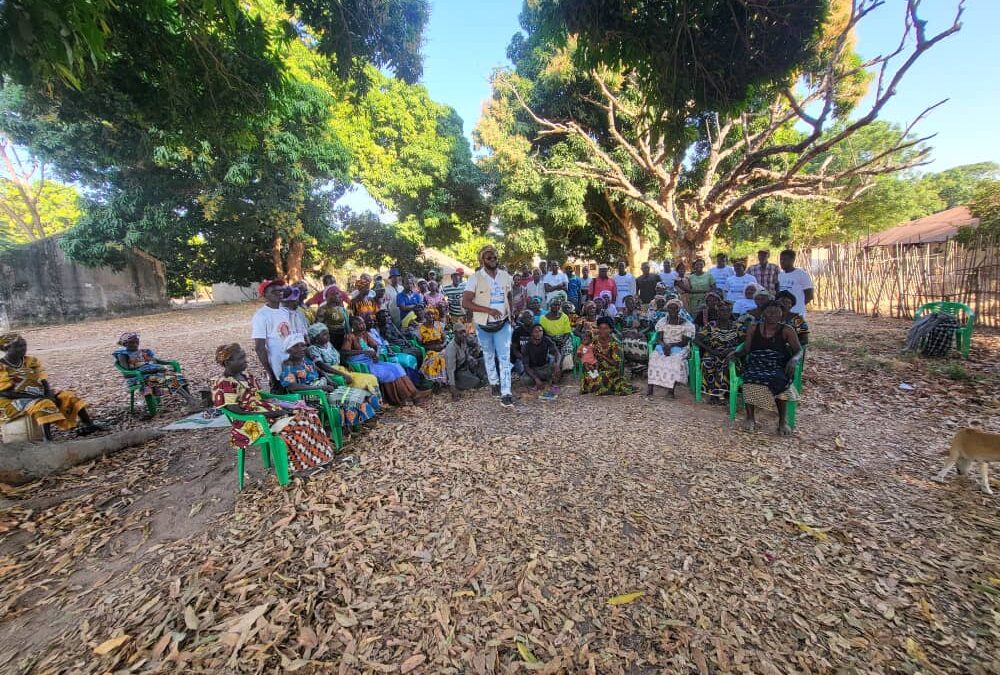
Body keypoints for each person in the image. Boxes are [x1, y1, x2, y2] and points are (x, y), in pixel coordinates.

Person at [212, 343, 336, 473]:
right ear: (227, 362)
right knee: (300, 423)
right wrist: (271, 414)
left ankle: (319, 457)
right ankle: (301, 466)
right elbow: (234, 409)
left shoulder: (246, 376)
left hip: (263, 411)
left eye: (244, 356)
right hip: (248, 423)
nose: (245, 360)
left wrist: (281, 405)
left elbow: (259, 396)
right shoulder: (224, 383)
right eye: (241, 358)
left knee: (309, 415)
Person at [0, 333, 103, 438]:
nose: (23, 348)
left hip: (36, 394)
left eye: (24, 345)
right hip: (9, 401)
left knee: (67, 396)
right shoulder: (2, 366)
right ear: (6, 348)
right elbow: (4, 392)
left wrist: (48, 393)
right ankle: (47, 439)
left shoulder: (30, 361)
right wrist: (38, 397)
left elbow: (43, 378)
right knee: (44, 404)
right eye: (18, 346)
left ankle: (89, 425)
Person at [727, 301, 803, 435]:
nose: (772, 315)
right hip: (757, 361)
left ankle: (782, 422)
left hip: (777, 363)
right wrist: (735, 353)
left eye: (777, 312)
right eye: (769, 312)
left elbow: (798, 350)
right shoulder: (753, 328)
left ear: (782, 315)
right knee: (750, 376)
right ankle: (750, 418)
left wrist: (794, 359)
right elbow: (746, 349)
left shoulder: (787, 329)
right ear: (763, 313)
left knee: (779, 379)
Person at [280, 334, 379, 435]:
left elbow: (319, 370)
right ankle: (344, 428)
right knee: (349, 400)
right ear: (289, 350)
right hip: (311, 395)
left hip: (323, 388)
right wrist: (320, 388)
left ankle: (355, 424)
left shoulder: (305, 360)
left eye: (302, 345)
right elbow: (292, 386)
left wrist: (329, 380)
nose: (301, 349)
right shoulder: (288, 365)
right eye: (297, 346)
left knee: (361, 394)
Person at [462, 244, 516, 408]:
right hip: (484, 325)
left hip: (503, 324)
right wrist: (489, 310)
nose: (493, 260)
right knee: (489, 355)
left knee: (505, 357)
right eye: (489, 258)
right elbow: (465, 302)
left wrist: (511, 314)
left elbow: (509, 295)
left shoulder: (505, 275)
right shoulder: (475, 278)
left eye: (494, 257)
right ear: (482, 260)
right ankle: (494, 382)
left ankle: (506, 393)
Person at [341, 316, 430, 406]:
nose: (362, 325)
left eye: (363, 323)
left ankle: (414, 393)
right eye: (359, 324)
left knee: (396, 367)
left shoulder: (365, 335)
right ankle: (402, 398)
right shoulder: (350, 336)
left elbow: (375, 345)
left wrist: (376, 353)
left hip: (370, 360)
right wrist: (364, 352)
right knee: (388, 373)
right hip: (361, 364)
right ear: (353, 326)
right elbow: (344, 352)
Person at [113, 332, 199, 408]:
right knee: (170, 379)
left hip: (153, 374)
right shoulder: (123, 355)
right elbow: (127, 374)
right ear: (125, 344)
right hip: (139, 378)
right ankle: (191, 401)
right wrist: (146, 371)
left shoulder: (143, 352)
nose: (135, 344)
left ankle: (191, 400)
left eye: (136, 341)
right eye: (132, 343)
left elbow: (153, 362)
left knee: (178, 377)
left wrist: (154, 366)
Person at [306, 324, 381, 396]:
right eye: (324, 334)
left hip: (341, 370)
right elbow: (322, 365)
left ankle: (374, 403)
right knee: (363, 381)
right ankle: (362, 404)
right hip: (331, 374)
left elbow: (338, 355)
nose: (328, 336)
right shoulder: (312, 349)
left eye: (327, 333)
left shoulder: (328, 344)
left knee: (372, 378)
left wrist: (347, 365)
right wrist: (342, 374)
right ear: (315, 338)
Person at [647, 299, 695, 398]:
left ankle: (670, 391)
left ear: (679, 310)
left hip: (680, 347)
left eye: (675, 309)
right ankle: (650, 388)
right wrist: (664, 345)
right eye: (670, 308)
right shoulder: (662, 321)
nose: (672, 311)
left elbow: (684, 342)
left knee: (673, 360)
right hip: (663, 345)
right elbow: (659, 338)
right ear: (667, 309)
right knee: (653, 358)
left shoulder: (686, 323)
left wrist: (671, 346)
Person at [695, 299, 741, 403]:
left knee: (727, 365)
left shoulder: (737, 326)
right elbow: (696, 339)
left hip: (731, 353)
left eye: (727, 311)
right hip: (713, 352)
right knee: (707, 363)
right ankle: (713, 395)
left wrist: (732, 350)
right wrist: (711, 350)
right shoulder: (711, 325)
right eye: (722, 310)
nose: (725, 313)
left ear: (731, 312)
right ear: (717, 312)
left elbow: (744, 342)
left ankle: (724, 394)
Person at [252, 278, 292, 390]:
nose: (279, 293)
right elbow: (260, 348)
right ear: (265, 295)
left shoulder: (284, 312)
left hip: (289, 362)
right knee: (281, 394)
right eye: (274, 291)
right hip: (276, 365)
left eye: (280, 290)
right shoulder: (261, 316)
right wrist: (271, 374)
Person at [579, 318, 635, 396]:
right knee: (589, 375)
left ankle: (603, 388)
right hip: (597, 368)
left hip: (611, 370)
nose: (602, 331)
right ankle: (600, 387)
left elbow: (616, 364)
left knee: (602, 378)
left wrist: (602, 356)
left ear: (610, 330)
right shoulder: (594, 340)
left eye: (605, 329)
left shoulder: (615, 343)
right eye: (600, 328)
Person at [520, 324, 562, 399]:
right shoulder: (526, 346)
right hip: (534, 369)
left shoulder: (546, 339)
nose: (539, 333)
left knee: (558, 371)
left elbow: (557, 353)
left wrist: (557, 365)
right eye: (536, 331)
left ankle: (549, 380)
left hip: (545, 366)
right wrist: (536, 378)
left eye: (540, 331)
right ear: (531, 333)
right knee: (524, 380)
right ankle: (544, 380)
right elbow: (526, 366)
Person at [444, 326, 487, 398]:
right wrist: (453, 389)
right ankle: (459, 383)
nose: (463, 334)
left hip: (467, 364)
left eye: (464, 331)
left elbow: (475, 343)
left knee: (483, 361)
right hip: (459, 371)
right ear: (455, 334)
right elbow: (450, 370)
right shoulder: (451, 348)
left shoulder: (464, 339)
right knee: (476, 382)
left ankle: (479, 376)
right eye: (460, 333)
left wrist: (472, 355)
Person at [416, 307, 449, 387]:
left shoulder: (439, 325)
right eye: (428, 314)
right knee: (435, 358)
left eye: (432, 314)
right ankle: (437, 382)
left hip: (441, 347)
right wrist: (431, 348)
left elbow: (444, 339)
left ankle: (444, 381)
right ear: (424, 316)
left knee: (444, 356)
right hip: (430, 349)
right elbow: (420, 344)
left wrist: (442, 345)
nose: (430, 316)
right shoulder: (420, 328)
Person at [539, 297, 574, 371]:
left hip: (563, 338)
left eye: (558, 305)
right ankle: (552, 367)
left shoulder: (564, 316)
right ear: (550, 305)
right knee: (548, 350)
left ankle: (565, 367)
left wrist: (563, 341)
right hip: (549, 338)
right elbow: (543, 333)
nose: (557, 307)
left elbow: (567, 332)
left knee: (567, 349)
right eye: (554, 305)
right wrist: (552, 340)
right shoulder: (543, 318)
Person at [778, 249, 814, 317]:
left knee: (798, 327)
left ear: (792, 260)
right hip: (782, 313)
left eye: (785, 259)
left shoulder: (802, 274)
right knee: (785, 328)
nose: (782, 262)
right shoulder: (780, 275)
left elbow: (809, 295)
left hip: (797, 313)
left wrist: (798, 306)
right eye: (781, 259)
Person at [510, 310, 536, 377]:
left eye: (530, 317)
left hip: (536, 357)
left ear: (533, 318)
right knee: (523, 373)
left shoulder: (538, 329)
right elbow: (514, 349)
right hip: (521, 358)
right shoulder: (517, 331)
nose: (528, 319)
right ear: (522, 319)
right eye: (525, 317)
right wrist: (523, 358)